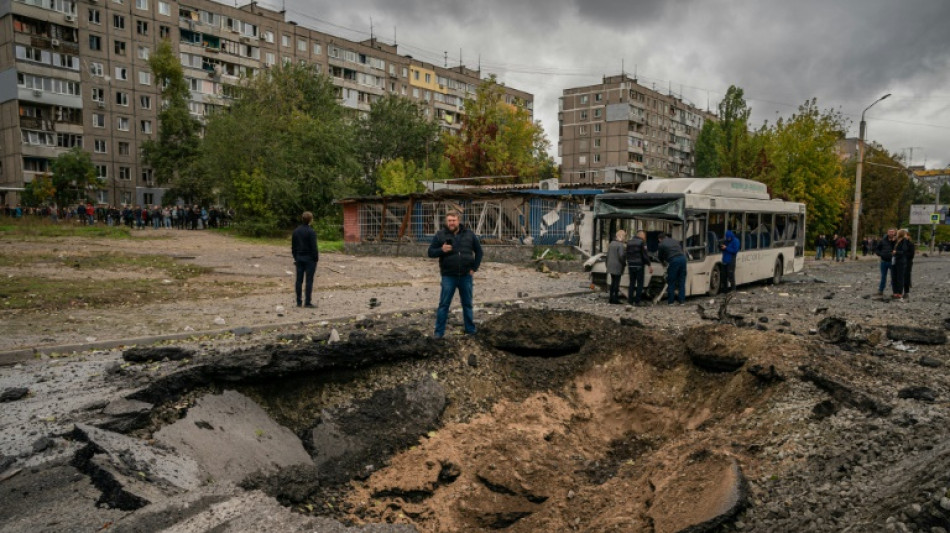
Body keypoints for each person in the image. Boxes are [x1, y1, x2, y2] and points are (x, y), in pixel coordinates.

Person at [427, 210, 483, 338]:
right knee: (443, 305)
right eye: (449, 220)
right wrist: (441, 249)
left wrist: (474, 268)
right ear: (446, 222)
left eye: (454, 220)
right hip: (448, 276)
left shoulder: (469, 234)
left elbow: (479, 252)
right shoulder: (440, 235)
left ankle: (470, 330)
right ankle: (439, 333)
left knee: (467, 304)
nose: (451, 223)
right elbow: (430, 252)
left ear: (459, 221)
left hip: (465, 276)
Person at [291, 211, 319, 308]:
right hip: (310, 259)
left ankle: (298, 301)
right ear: (311, 220)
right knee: (309, 281)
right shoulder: (311, 232)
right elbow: (314, 247)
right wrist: (316, 258)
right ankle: (307, 301)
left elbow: (293, 246)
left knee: (299, 280)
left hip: (299, 257)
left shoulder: (296, 231)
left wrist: (295, 257)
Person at [657, 233, 687, 305]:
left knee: (671, 280)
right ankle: (682, 301)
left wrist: (663, 264)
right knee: (681, 280)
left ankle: (671, 301)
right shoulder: (674, 241)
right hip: (683, 259)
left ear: (659, 239)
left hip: (674, 260)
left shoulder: (661, 244)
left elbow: (660, 257)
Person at [625, 230, 653, 306]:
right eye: (644, 236)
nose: (645, 238)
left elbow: (626, 253)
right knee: (640, 284)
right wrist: (649, 264)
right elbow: (645, 255)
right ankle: (637, 301)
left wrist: (629, 262)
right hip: (639, 265)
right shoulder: (642, 243)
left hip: (631, 265)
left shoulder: (629, 242)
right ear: (641, 235)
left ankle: (630, 300)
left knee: (632, 283)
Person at [605, 229, 627, 304]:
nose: (625, 238)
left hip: (610, 266)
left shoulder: (611, 244)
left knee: (612, 282)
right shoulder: (620, 245)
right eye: (624, 236)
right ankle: (615, 299)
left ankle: (611, 298)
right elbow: (621, 256)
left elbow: (607, 256)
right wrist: (624, 263)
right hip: (617, 266)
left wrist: (607, 265)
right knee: (616, 283)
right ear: (622, 236)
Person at [891, 229, 913, 300]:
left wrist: (896, 252)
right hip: (895, 261)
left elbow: (904, 251)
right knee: (894, 277)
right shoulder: (896, 241)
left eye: (897, 233)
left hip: (901, 262)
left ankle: (900, 293)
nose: (896, 234)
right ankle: (895, 292)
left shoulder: (905, 241)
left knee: (900, 278)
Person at [874, 228, 897, 296]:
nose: (891, 233)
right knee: (883, 277)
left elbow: (899, 249)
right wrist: (880, 254)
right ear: (887, 232)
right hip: (883, 261)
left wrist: (893, 242)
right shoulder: (883, 241)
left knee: (893, 277)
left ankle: (895, 291)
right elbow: (877, 249)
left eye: (892, 232)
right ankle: (881, 290)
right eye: (890, 232)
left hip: (892, 261)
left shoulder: (896, 241)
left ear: (894, 233)